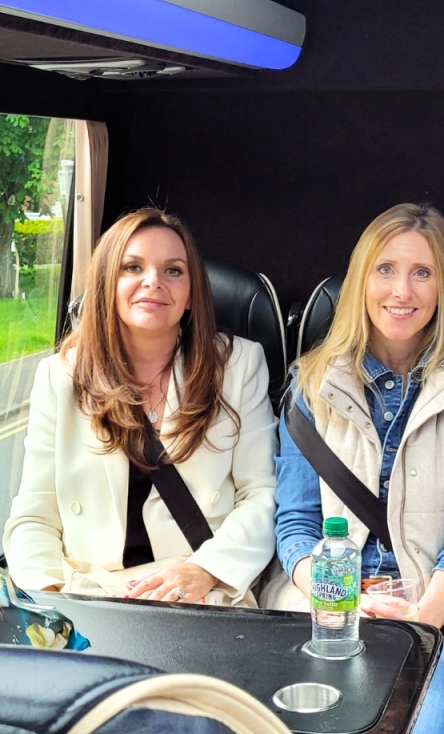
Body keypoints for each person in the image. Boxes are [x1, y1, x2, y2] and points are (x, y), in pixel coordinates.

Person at [262, 202, 444, 734]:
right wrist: (344, 603)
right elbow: (296, 526)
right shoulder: (310, 384)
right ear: (361, 280)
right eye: (385, 269)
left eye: (422, 272)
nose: (402, 290)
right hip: (323, 621)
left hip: (440, 629)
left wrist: (419, 622)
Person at [4, 208, 278, 605]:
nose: (153, 282)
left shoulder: (238, 364)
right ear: (105, 284)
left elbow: (263, 494)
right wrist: (52, 601)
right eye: (132, 267)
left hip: (199, 587)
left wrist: (206, 571)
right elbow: (33, 515)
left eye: (173, 270)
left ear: (190, 295)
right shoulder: (60, 375)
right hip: (91, 593)